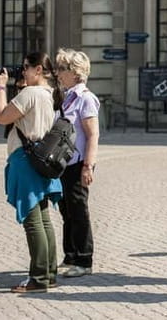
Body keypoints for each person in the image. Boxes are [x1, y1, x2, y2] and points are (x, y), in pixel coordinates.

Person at [0, 52, 62, 293]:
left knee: (33, 222)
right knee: (43, 220)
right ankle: (49, 274)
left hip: (26, 161)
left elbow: (2, 117)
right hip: (41, 159)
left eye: (26, 67)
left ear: (38, 69)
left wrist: (0, 87)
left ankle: (38, 279)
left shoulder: (30, 94)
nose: (23, 71)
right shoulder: (48, 93)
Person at [54, 48, 101, 278]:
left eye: (62, 68)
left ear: (76, 72)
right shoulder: (66, 96)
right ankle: (70, 255)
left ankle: (84, 260)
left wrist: (88, 166)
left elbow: (93, 135)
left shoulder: (85, 98)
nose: (58, 73)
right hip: (63, 163)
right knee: (66, 211)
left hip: (78, 162)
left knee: (79, 211)